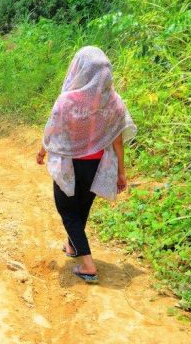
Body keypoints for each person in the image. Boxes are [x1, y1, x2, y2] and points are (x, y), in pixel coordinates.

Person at [36, 47, 136, 283]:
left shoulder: (67, 100)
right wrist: (121, 173)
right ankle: (72, 247)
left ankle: (88, 265)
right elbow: (118, 139)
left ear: (78, 69)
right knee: (81, 207)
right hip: (97, 165)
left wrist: (42, 151)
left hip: (70, 163)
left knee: (67, 210)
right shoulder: (112, 101)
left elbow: (53, 131)